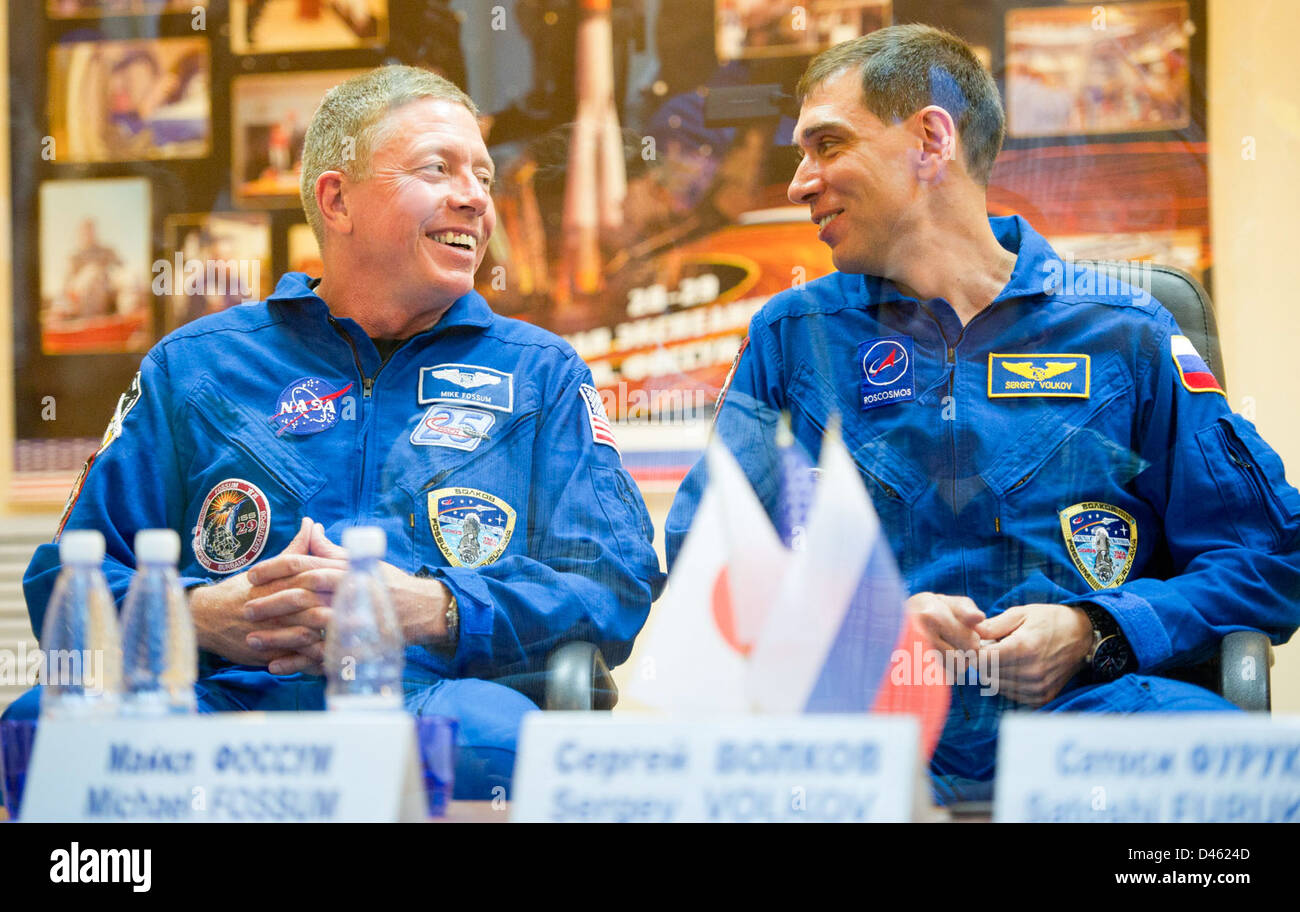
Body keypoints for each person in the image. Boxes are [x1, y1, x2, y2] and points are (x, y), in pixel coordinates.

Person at [665, 25, 1300, 802]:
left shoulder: (1125, 332)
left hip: (1088, 723)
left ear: (932, 140)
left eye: (827, 145)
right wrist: (869, 626)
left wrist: (1097, 628)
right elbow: (708, 562)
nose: (800, 183)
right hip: (862, 733)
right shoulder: (793, 337)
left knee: (1258, 792)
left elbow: (1269, 557)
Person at [8, 66, 666, 800]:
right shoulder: (196, 365)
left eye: (481, 175)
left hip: (431, 702)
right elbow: (63, 579)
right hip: (221, 703)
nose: (476, 197)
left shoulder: (540, 373)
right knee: (42, 732)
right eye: (438, 168)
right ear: (336, 200)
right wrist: (196, 617)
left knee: (505, 746)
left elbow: (614, 579)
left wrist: (440, 610)